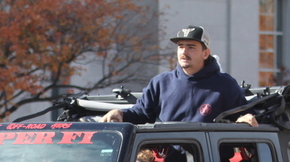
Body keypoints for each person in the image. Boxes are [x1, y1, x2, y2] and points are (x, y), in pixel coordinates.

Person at [101, 25, 258, 126]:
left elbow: (244, 117)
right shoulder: (160, 83)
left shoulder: (225, 85)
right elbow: (141, 114)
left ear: (205, 53)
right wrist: (120, 113)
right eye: (180, 46)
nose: (184, 51)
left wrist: (245, 119)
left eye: (191, 47)